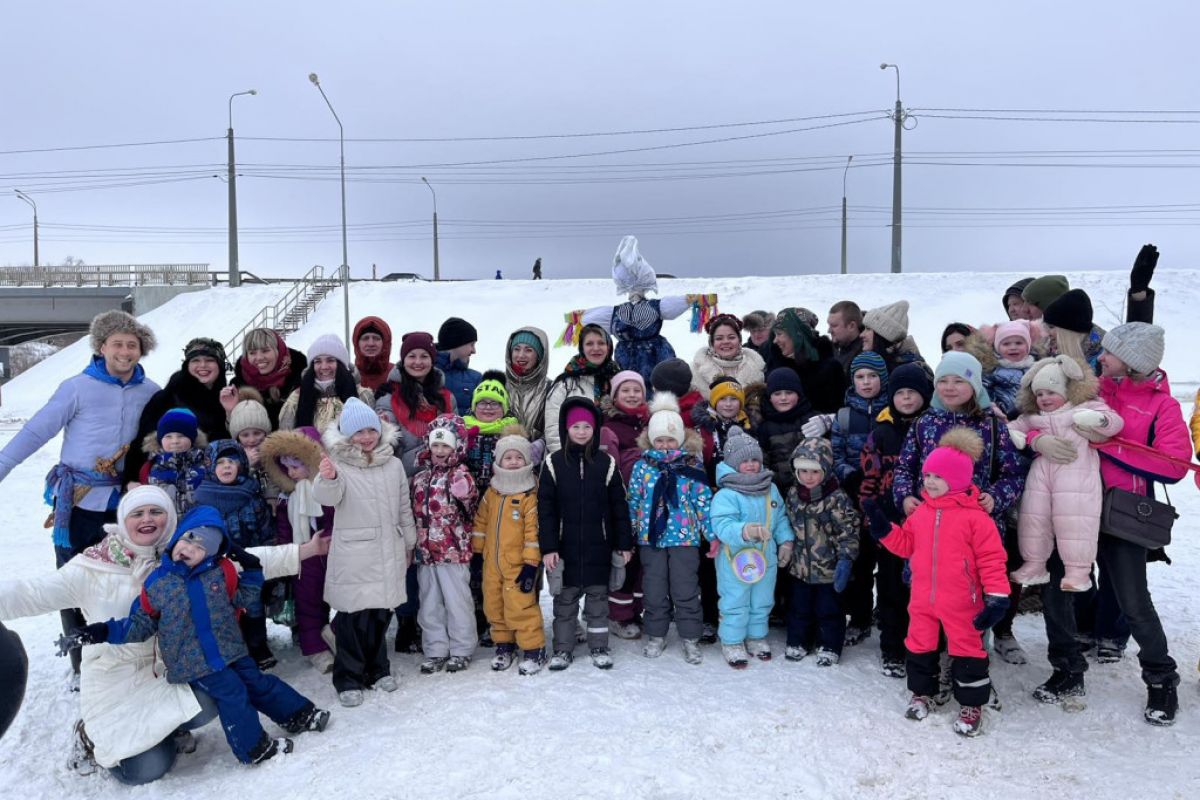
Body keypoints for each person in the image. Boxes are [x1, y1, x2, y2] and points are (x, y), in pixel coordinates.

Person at [0, 485, 325, 784]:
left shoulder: (185, 554)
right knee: (142, 771)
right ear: (123, 519)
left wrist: (305, 551)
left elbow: (250, 560)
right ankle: (93, 733)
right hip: (118, 676)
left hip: (174, 668)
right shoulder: (91, 568)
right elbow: (30, 592)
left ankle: (171, 728)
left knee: (217, 694)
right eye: (137, 513)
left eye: (156, 511)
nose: (147, 519)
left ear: (170, 518)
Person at [65, 506, 330, 765]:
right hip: (194, 663)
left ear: (212, 554)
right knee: (233, 693)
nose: (189, 549)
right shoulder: (157, 583)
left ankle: (299, 715)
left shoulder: (221, 572)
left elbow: (244, 599)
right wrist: (99, 631)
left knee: (258, 683)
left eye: (201, 547)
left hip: (230, 650)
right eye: (187, 539)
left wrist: (251, 572)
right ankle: (254, 748)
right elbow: (139, 625)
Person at [1035, 323, 1189, 726]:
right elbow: (1050, 416)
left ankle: (1161, 678)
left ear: (1133, 361)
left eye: (1109, 352)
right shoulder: (1096, 387)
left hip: (1122, 512)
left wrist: (1112, 448)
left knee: (1133, 602)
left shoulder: (1162, 405)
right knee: (1062, 591)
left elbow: (1174, 467)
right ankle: (1068, 669)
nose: (1100, 356)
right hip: (1071, 506)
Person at [0, 310, 157, 682]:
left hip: (122, 507)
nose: (124, 351)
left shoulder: (150, 392)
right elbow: (37, 431)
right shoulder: (76, 387)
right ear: (101, 346)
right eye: (116, 343)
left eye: (131, 344)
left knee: (122, 580)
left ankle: (120, 655)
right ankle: (78, 662)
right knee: (71, 582)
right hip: (77, 503)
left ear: (141, 350)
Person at [865, 428, 1011, 737]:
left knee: (969, 652)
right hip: (922, 599)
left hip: (962, 602)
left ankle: (971, 705)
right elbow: (906, 545)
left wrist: (997, 597)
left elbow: (992, 560)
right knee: (919, 647)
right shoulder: (921, 513)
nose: (929, 481)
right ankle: (922, 693)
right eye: (927, 474)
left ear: (957, 480)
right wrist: (884, 530)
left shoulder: (976, 519)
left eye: (937, 477)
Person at [892, 351, 1028, 664]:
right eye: (943, 381)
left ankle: (973, 666)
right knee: (929, 598)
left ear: (975, 384)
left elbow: (1014, 472)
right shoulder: (925, 423)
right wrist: (904, 497)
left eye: (959, 380)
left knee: (972, 599)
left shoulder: (992, 424)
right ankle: (935, 664)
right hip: (929, 530)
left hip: (975, 529)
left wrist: (995, 496)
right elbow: (904, 467)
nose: (950, 387)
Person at [313, 398, 418, 708]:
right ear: (347, 436)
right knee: (353, 618)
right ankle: (348, 676)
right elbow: (326, 497)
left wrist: (409, 542)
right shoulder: (339, 463)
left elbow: (403, 505)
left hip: (389, 548)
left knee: (380, 613)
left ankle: (377, 669)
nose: (367, 437)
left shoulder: (393, 463)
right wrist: (328, 478)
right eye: (359, 433)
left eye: (372, 430)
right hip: (355, 554)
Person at [1007, 356, 1122, 590]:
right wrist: (1022, 436)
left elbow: (1115, 422)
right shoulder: (1034, 417)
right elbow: (1013, 427)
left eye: (1050, 392)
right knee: (1033, 517)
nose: (1044, 399)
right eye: (1039, 394)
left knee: (1075, 520)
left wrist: (1098, 420)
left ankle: (1078, 571)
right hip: (1041, 474)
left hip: (1076, 474)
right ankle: (1034, 564)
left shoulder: (1084, 407)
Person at [539, 398, 633, 671]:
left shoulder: (607, 464)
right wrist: (548, 547)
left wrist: (623, 544)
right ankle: (563, 649)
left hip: (599, 549)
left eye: (587, 426)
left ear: (595, 429)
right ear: (566, 429)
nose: (581, 431)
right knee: (565, 602)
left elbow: (619, 507)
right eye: (575, 426)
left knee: (597, 602)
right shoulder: (554, 464)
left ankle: (599, 646)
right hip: (564, 549)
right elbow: (545, 509)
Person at [858, 363, 934, 678]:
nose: (905, 398)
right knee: (890, 586)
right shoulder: (881, 432)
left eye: (912, 393)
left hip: (928, 525)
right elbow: (869, 479)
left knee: (921, 590)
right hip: (892, 526)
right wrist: (871, 517)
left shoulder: (932, 429)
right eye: (900, 393)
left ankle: (920, 644)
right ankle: (892, 646)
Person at [627, 393, 712, 664]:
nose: (665, 445)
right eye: (659, 440)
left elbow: (703, 502)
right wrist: (629, 533)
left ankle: (690, 636)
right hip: (650, 538)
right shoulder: (643, 467)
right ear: (651, 439)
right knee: (653, 587)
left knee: (685, 588)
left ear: (680, 440)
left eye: (670, 440)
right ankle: (656, 633)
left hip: (684, 538)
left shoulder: (691, 465)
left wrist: (711, 535)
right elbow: (634, 500)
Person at [709, 428, 793, 668]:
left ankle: (756, 636)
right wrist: (745, 531)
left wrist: (785, 541)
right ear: (733, 464)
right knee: (736, 599)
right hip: (736, 558)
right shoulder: (727, 494)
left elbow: (780, 518)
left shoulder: (770, 488)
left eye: (755, 460)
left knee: (762, 598)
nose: (751, 465)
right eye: (744, 461)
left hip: (765, 557)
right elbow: (722, 525)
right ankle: (732, 640)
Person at [194, 439, 277, 669]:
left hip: (249, 562)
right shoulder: (201, 498)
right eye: (220, 462)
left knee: (253, 606)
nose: (226, 467)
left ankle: (258, 646)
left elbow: (265, 529)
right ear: (210, 466)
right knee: (222, 609)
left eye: (232, 461)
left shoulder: (252, 494)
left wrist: (267, 553)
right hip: (217, 566)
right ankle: (231, 649)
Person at [261, 426, 336, 674]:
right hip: (304, 557)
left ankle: (334, 635)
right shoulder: (287, 497)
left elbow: (338, 517)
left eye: (297, 466)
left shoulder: (328, 490)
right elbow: (284, 528)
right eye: (288, 469)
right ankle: (315, 648)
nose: (292, 473)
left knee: (339, 597)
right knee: (309, 603)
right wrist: (289, 553)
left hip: (332, 552)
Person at [781, 438, 860, 667]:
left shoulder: (837, 498)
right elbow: (786, 523)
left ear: (825, 470)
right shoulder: (794, 496)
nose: (808, 477)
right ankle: (798, 641)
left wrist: (846, 559)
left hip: (828, 567)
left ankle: (830, 644)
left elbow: (849, 530)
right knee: (799, 608)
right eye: (803, 471)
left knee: (830, 609)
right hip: (800, 567)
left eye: (814, 471)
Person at [410, 415, 479, 674]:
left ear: (457, 447)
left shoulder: (460, 474)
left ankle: (461, 648)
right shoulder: (420, 478)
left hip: (453, 551)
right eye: (435, 445)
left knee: (457, 601)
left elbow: (472, 511)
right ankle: (435, 649)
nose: (439, 451)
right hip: (426, 552)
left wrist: (468, 494)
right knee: (429, 603)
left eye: (445, 446)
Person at [473, 429, 546, 674]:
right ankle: (504, 645)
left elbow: (533, 532)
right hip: (492, 564)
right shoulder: (493, 491)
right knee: (494, 605)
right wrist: (477, 550)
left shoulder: (529, 494)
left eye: (519, 457)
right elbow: (481, 521)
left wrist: (530, 563)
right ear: (499, 460)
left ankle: (534, 648)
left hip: (518, 564)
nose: (513, 462)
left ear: (527, 461)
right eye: (508, 457)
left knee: (521, 607)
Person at [831, 351, 890, 648]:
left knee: (890, 562)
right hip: (855, 499)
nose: (866, 382)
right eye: (860, 377)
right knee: (861, 561)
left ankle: (890, 616)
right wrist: (850, 476)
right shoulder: (843, 416)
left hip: (888, 498)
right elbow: (835, 455)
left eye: (872, 376)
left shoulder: (893, 410)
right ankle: (860, 616)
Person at [124, 337, 230, 486]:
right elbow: (142, 442)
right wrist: (132, 480)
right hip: (166, 482)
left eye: (210, 360)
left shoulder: (227, 396)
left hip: (213, 483)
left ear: (219, 365)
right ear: (187, 365)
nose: (203, 365)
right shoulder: (168, 397)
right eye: (195, 360)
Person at [599, 370, 650, 640]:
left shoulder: (650, 423)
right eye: (625, 390)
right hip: (625, 505)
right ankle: (619, 615)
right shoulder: (609, 426)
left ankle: (637, 611)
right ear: (615, 395)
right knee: (624, 561)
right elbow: (610, 469)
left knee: (643, 561)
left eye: (637, 390)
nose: (632, 395)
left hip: (649, 506)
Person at [377, 331, 458, 475]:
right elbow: (385, 444)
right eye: (412, 356)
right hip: (404, 479)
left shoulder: (446, 397)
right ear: (403, 360)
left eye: (424, 356)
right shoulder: (389, 397)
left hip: (442, 480)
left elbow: (457, 438)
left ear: (432, 360)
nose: (418, 362)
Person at [543, 323, 619, 454]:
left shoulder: (620, 381)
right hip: (572, 458)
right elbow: (553, 429)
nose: (596, 348)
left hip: (612, 460)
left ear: (609, 346)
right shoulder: (565, 384)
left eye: (601, 343)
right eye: (589, 344)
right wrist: (564, 460)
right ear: (582, 348)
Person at [278, 335, 374, 433]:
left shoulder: (362, 395)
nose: (324, 367)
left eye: (330, 360)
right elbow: (286, 436)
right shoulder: (297, 398)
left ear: (341, 364)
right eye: (318, 361)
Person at [769, 307, 846, 415]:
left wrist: (828, 421)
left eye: (779, 334)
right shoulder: (776, 364)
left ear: (797, 334)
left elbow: (840, 409)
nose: (775, 340)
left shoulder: (830, 368)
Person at [227, 328, 307, 430]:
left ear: (278, 350)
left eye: (265, 351)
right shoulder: (238, 386)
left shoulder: (302, 380)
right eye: (252, 353)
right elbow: (233, 431)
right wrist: (229, 412)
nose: (259, 357)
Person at [754, 368, 815, 496]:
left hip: (813, 489)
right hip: (780, 493)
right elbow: (762, 465)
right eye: (777, 394)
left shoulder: (813, 421)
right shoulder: (764, 428)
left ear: (798, 394)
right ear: (769, 397)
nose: (783, 398)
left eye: (789, 392)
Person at [964, 319, 1038, 420]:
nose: (1013, 347)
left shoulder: (1037, 366)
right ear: (998, 347)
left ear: (1028, 345)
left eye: (1019, 343)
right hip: (1007, 418)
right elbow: (983, 392)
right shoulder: (994, 371)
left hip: (1037, 415)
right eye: (1006, 344)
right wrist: (994, 408)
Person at [462, 372, 519, 494]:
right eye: (482, 402)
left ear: (504, 408)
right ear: (474, 406)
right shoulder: (461, 431)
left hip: (501, 495)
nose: (488, 408)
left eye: (495, 403)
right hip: (468, 494)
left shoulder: (514, 434)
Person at [144, 408, 208, 514]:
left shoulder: (205, 465)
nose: (175, 441)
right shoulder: (149, 467)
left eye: (181, 436)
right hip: (164, 525)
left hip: (196, 524)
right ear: (160, 439)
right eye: (168, 436)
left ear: (192, 438)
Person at [689, 313, 765, 400]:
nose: (725, 342)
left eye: (731, 337)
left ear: (739, 340)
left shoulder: (755, 369)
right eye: (719, 338)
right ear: (711, 343)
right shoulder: (695, 371)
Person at [504, 326, 552, 444]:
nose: (521, 355)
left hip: (538, 459)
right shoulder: (498, 385)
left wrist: (541, 445)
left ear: (539, 356)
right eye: (516, 349)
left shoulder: (551, 388)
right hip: (502, 458)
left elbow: (555, 428)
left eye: (528, 350)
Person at [1043, 289, 1104, 375]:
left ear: (1068, 332)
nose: (1048, 333)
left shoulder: (1103, 363)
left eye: (1051, 327)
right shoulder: (1050, 351)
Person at [860, 300, 924, 374]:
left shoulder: (910, 372)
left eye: (868, 329)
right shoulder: (881, 363)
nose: (861, 335)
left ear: (882, 335)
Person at [435, 317, 483, 413]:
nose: (474, 351)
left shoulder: (476, 378)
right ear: (457, 343)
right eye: (471, 344)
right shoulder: (423, 372)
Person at [351, 316, 394, 393]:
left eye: (376, 338)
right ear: (357, 344)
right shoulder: (350, 376)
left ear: (385, 343)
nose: (371, 343)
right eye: (365, 338)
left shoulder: (397, 375)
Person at [827, 300, 864, 376]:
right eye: (829, 325)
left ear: (851, 326)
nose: (829, 331)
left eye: (834, 326)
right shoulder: (829, 350)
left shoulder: (865, 355)